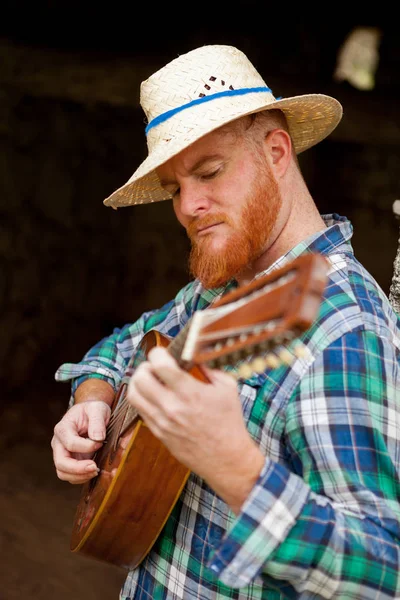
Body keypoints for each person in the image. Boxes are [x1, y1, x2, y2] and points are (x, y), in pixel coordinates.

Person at [51, 44, 400, 599]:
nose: (189, 205)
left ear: (277, 152)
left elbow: (385, 567)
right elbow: (121, 347)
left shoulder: (343, 328)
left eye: (209, 171)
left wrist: (238, 470)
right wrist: (91, 398)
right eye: (173, 189)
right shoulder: (225, 287)